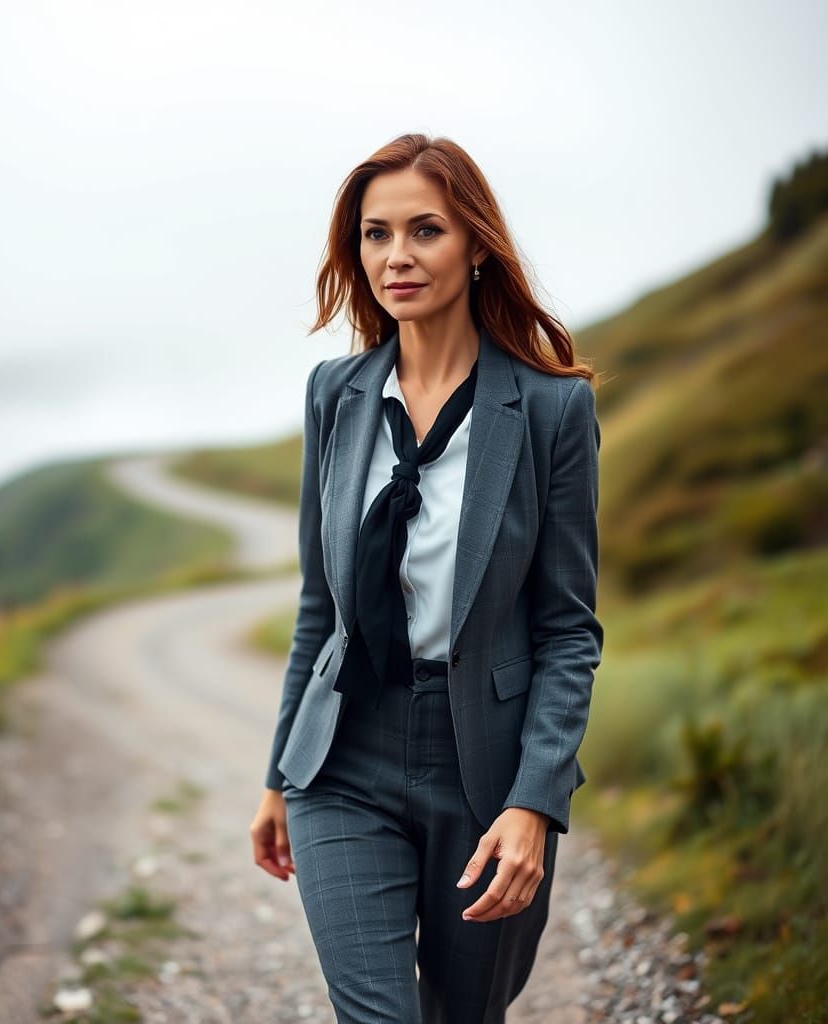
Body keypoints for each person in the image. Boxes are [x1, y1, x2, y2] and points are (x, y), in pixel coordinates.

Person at [249, 132, 603, 1023]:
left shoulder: (551, 410)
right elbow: (318, 608)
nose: (396, 256)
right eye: (375, 234)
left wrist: (536, 802)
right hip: (342, 757)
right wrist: (277, 771)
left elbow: (568, 632)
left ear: (476, 243)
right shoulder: (335, 395)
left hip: (481, 766)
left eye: (425, 230)